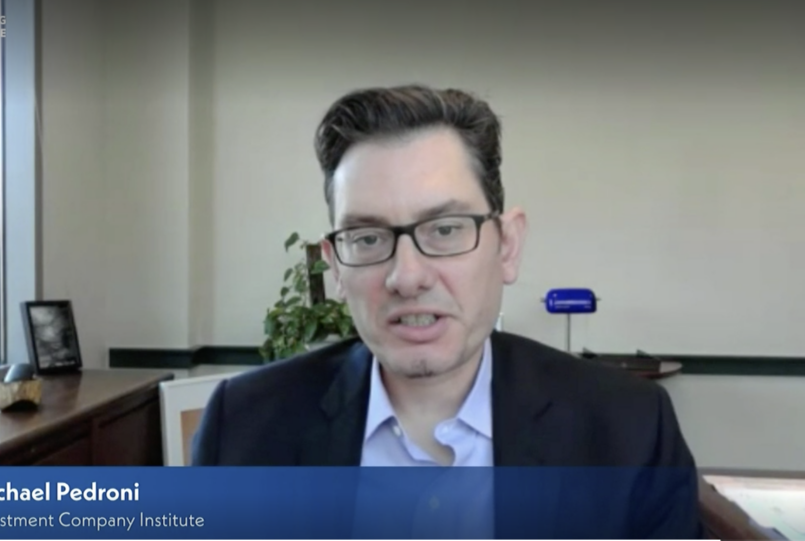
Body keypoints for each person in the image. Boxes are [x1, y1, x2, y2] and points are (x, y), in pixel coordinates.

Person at [192, 85, 702, 538]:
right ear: (336, 267)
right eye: (367, 238)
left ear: (507, 246)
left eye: (445, 229)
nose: (407, 276)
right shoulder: (243, 430)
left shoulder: (629, 430)